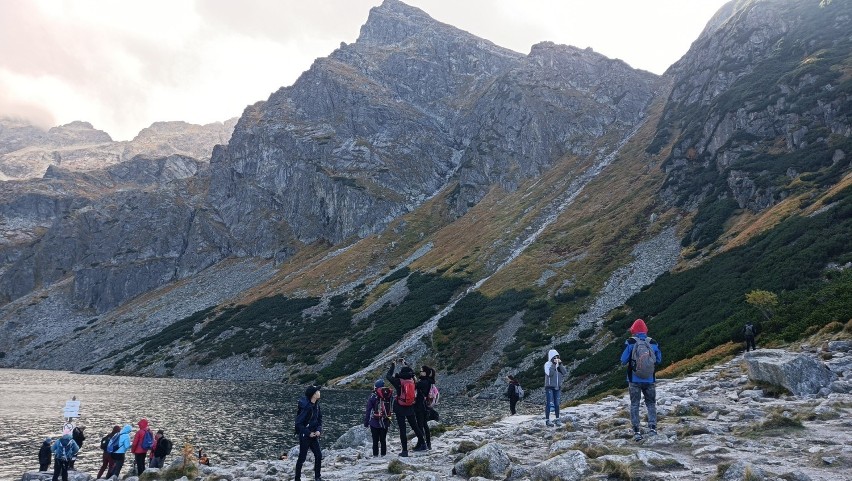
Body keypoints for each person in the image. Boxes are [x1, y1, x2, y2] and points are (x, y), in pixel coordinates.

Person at [620, 318, 662, 441]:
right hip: (649, 379)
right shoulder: (653, 343)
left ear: (633, 330)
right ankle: (653, 428)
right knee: (651, 403)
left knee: (635, 404)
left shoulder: (630, 342)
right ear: (645, 330)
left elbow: (623, 361)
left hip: (634, 380)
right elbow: (659, 360)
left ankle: (637, 431)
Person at [386, 359, 426, 457]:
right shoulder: (413, 380)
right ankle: (423, 444)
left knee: (402, 429)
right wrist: (405, 364)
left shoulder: (398, 381)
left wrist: (393, 365)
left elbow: (388, 376)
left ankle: (404, 451)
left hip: (400, 407)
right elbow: (411, 372)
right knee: (415, 426)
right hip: (410, 406)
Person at [294, 385, 323, 481]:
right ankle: (297, 479)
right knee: (302, 458)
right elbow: (298, 423)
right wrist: (308, 433)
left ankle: (317, 477)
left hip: (314, 435)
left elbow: (319, 420)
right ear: (313, 395)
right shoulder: (306, 407)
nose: (319, 392)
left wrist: (319, 430)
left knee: (318, 455)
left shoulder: (317, 406)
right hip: (305, 436)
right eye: (317, 391)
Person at [363, 379, 391, 457]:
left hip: (374, 422)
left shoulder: (372, 397)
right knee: (383, 440)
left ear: (375, 387)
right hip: (385, 421)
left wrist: (366, 423)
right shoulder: (388, 395)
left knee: (375, 440)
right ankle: (383, 455)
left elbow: (368, 411)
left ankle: (375, 456)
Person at [543, 349, 568, 426]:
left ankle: (557, 419)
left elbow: (564, 372)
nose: (556, 358)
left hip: (557, 387)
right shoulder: (547, 364)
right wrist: (553, 365)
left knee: (557, 404)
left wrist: (560, 364)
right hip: (549, 387)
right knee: (549, 403)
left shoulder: (558, 365)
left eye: (557, 357)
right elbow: (549, 373)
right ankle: (547, 420)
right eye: (554, 357)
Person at [414, 365, 435, 450]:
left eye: (421, 371)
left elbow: (415, 385)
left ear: (425, 372)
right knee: (425, 425)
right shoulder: (429, 381)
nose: (420, 372)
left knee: (420, 425)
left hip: (420, 406)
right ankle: (428, 444)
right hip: (426, 406)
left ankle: (421, 444)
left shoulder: (423, 382)